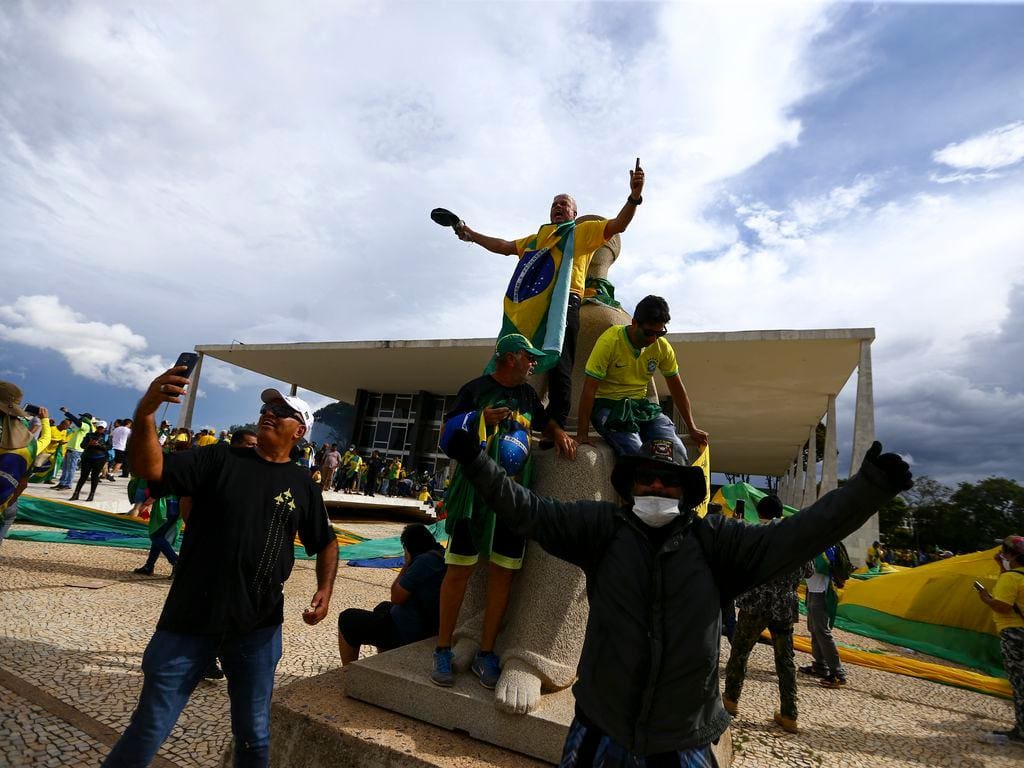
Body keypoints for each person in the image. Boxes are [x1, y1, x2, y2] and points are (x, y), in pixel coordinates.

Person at [441, 427, 911, 764]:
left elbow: (798, 535)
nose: (657, 486)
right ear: (629, 487)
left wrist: (867, 490)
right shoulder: (600, 530)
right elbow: (529, 511)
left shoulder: (718, 543)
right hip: (600, 729)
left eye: (668, 479)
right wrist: (478, 464)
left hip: (683, 740)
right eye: (646, 478)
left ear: (686, 491)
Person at [101, 369, 338, 768]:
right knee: (149, 726)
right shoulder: (219, 458)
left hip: (258, 628)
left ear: (300, 432)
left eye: (281, 410)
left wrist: (325, 589)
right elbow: (151, 470)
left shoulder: (302, 484)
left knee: (254, 734)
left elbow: (326, 541)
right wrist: (146, 413)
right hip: (189, 620)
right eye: (267, 406)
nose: (269, 412)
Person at [451, 160, 647, 428]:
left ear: (574, 213)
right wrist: (472, 235)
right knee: (519, 360)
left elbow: (618, 225)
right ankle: (506, 410)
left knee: (560, 366)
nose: (558, 207)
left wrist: (634, 197)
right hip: (534, 307)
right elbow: (505, 246)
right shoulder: (538, 239)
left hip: (565, 304)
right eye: (554, 203)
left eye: (564, 204)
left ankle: (555, 424)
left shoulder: (580, 233)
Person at [431, 333, 576, 690]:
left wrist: (557, 433)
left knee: (503, 574)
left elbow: (542, 420)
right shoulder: (475, 389)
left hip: (513, 497)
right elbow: (446, 436)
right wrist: (480, 418)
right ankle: (442, 648)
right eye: (528, 358)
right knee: (459, 572)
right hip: (475, 495)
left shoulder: (527, 395)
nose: (533, 365)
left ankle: (486, 653)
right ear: (510, 358)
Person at [576, 295, 707, 458]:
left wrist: (691, 428)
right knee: (638, 454)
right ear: (634, 323)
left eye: (660, 333)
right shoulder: (610, 341)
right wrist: (582, 434)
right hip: (608, 407)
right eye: (648, 333)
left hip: (640, 407)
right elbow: (589, 388)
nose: (653, 339)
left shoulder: (662, 347)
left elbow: (676, 388)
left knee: (676, 451)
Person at [722, 495, 806, 733]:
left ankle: (730, 700)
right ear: (781, 513)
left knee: (740, 652)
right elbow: (808, 571)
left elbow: (736, 562)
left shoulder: (754, 535)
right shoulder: (797, 540)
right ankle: (789, 714)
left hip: (755, 603)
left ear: (759, 512)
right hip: (783, 607)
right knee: (785, 660)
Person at [337, 524, 446, 665]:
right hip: (426, 624)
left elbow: (396, 596)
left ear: (408, 548)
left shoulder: (423, 562)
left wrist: (406, 564)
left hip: (409, 631)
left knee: (347, 619)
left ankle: (346, 674)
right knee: (382, 607)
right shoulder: (440, 555)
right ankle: (386, 663)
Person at [975, 535, 1024, 746]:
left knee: (1020, 683)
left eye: (1004, 551)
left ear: (1011, 554)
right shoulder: (1016, 576)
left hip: (1014, 634)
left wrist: (985, 597)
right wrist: (1002, 566)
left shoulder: (1011, 578)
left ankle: (1021, 733)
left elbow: (1003, 605)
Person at [0, 383, 51, 551]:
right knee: (8, 516)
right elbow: (22, 484)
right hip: (4, 504)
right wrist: (45, 420)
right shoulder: (29, 443)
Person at [799, 542, 849, 687]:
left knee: (822, 632)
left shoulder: (823, 545)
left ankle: (838, 674)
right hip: (812, 590)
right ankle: (820, 666)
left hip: (822, 592)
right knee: (814, 630)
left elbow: (818, 567)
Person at [71, 420, 110, 502]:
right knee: (83, 476)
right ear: (96, 427)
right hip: (87, 458)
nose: (100, 429)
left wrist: (99, 445)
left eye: (102, 428)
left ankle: (91, 495)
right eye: (99, 427)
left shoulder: (107, 437)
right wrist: (89, 443)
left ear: (104, 429)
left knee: (94, 477)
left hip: (99, 459)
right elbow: (82, 445)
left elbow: (109, 447)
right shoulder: (89, 435)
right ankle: (76, 493)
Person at [54, 407, 93, 490]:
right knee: (65, 468)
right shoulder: (78, 427)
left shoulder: (86, 426)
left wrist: (67, 412)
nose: (81, 418)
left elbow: (77, 421)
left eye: (83, 417)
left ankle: (68, 484)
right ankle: (62, 483)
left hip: (76, 450)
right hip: (70, 449)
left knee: (71, 468)